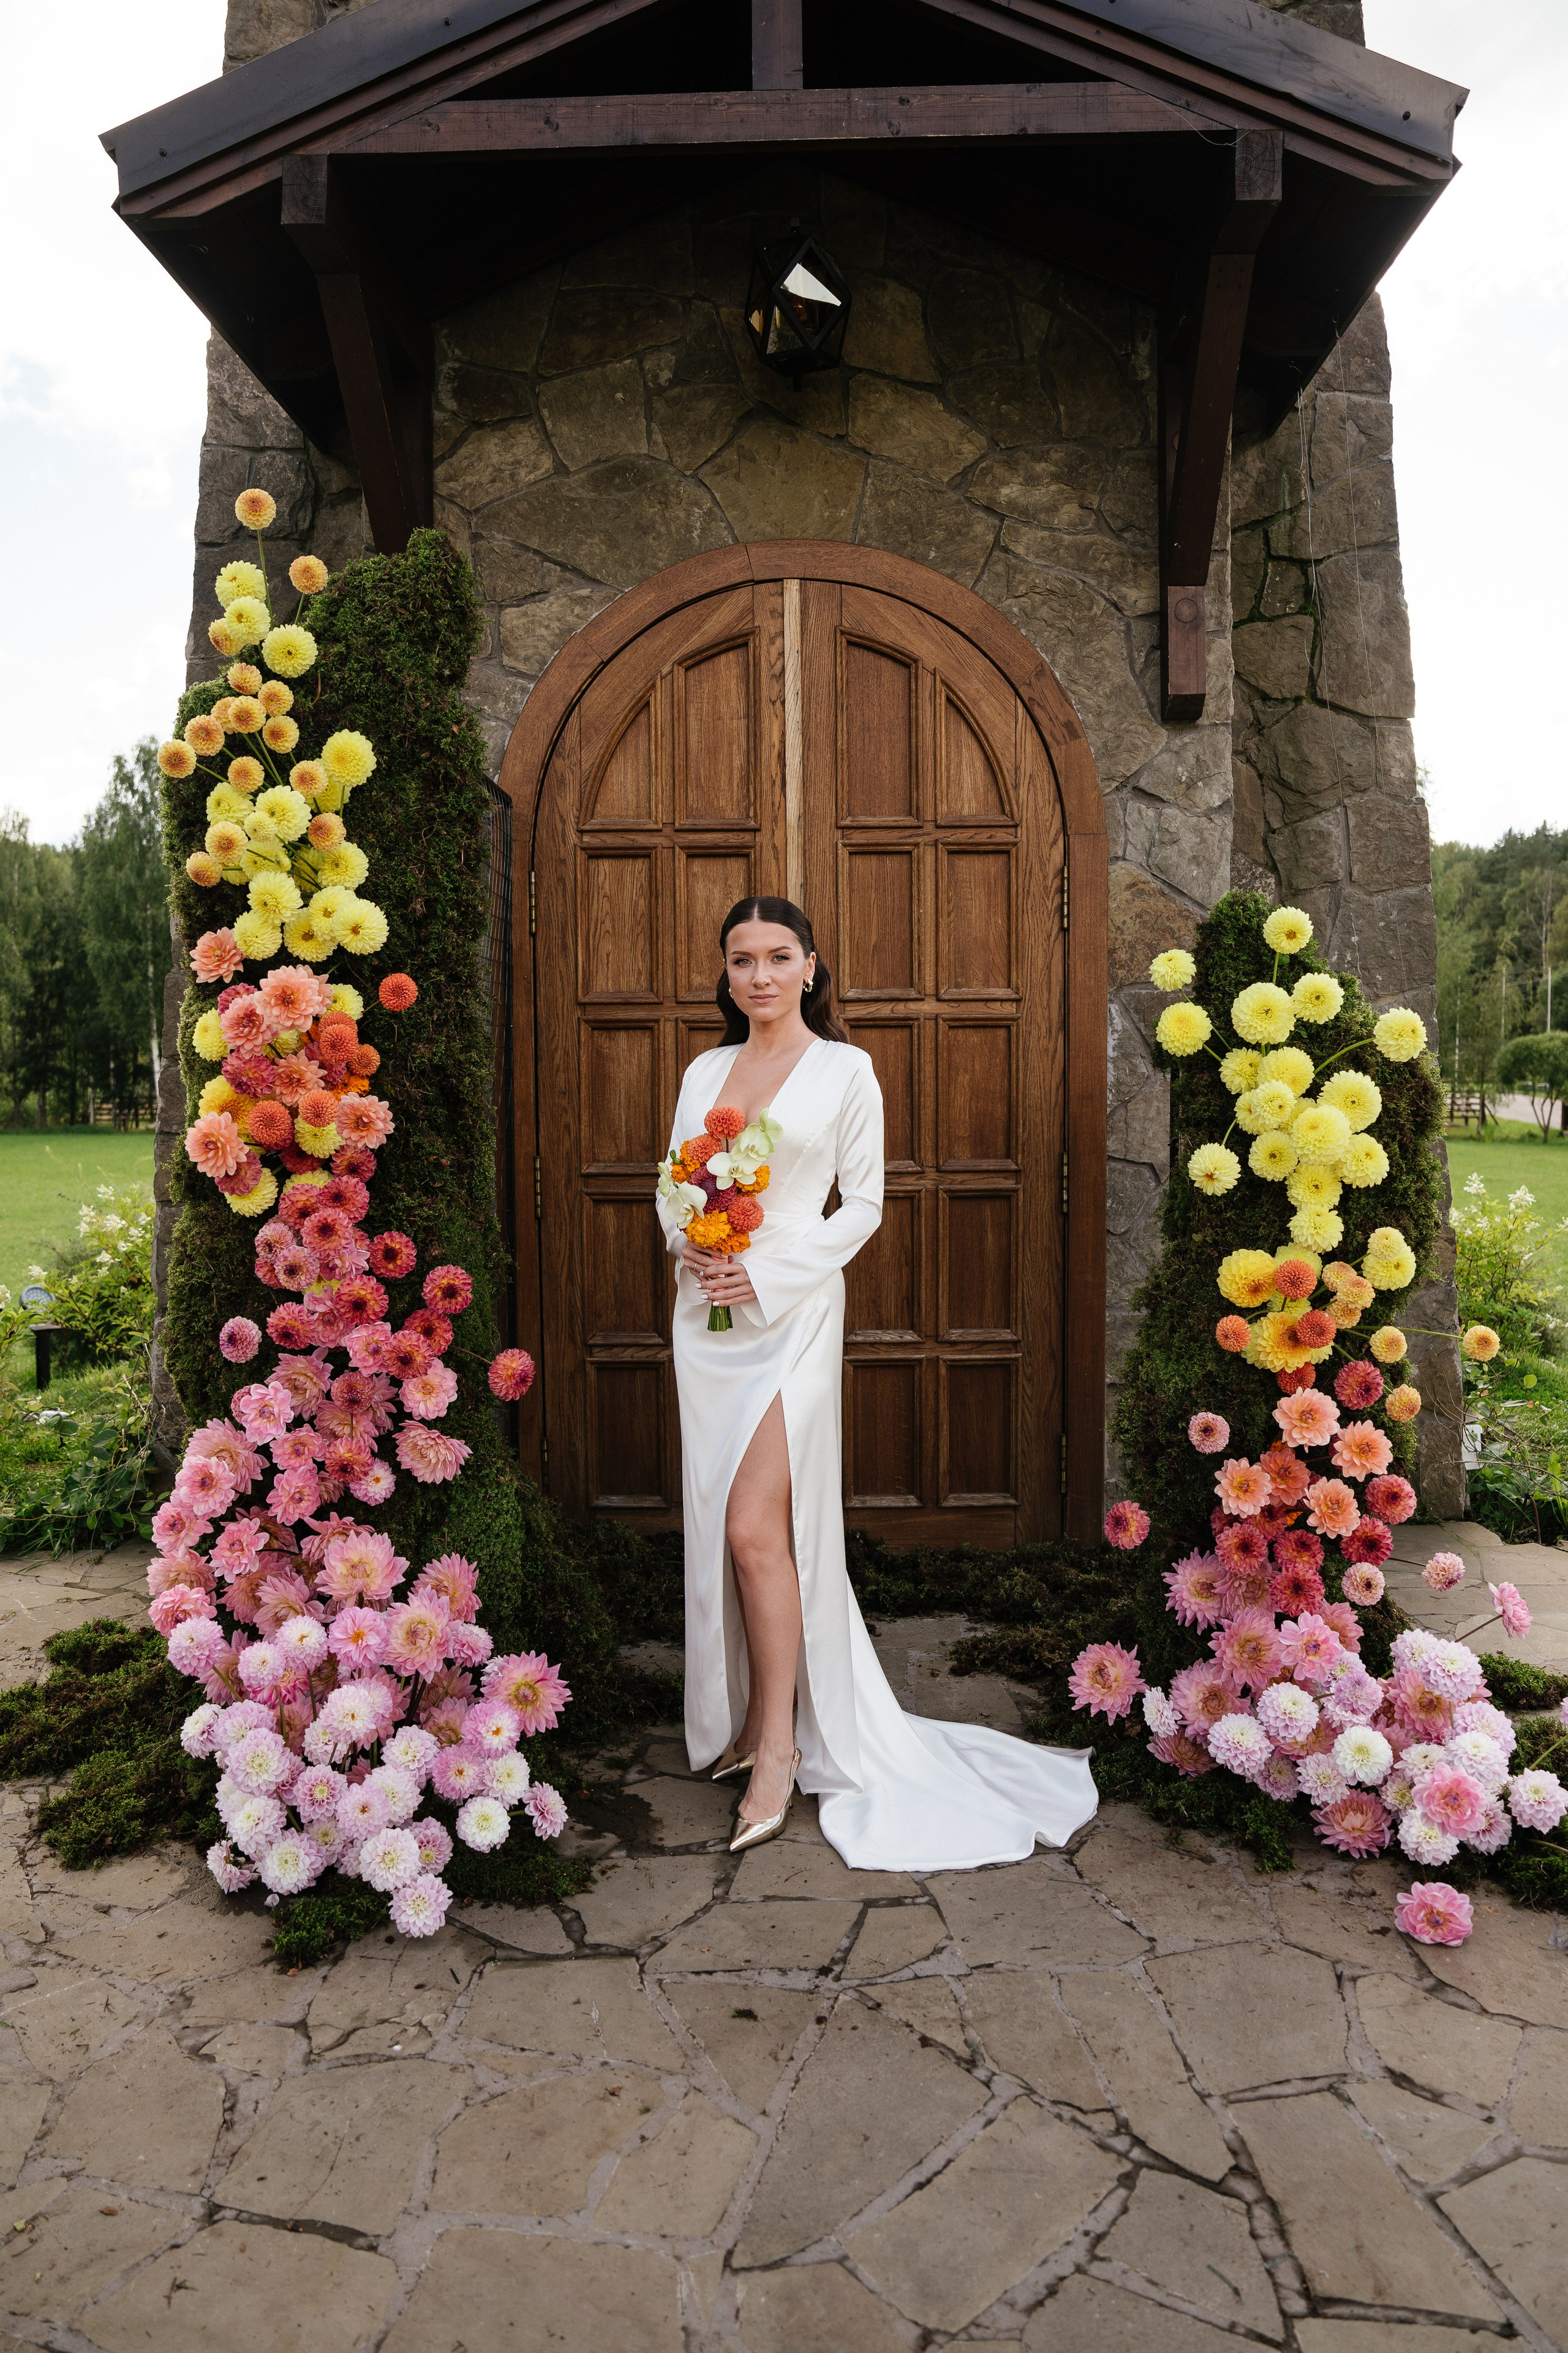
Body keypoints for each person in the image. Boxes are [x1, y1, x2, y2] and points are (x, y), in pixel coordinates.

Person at [657, 895, 1098, 1868]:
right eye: (742, 959)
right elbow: (675, 1180)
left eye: (778, 957)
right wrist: (691, 1242)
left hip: (791, 1310)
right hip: (707, 1316)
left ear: (812, 966)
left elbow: (861, 1206)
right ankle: (741, 1719)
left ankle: (781, 1747)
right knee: (724, 1523)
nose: (760, 975)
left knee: (755, 1528)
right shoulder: (701, 1071)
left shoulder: (846, 1070)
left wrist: (762, 1270)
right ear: (725, 973)